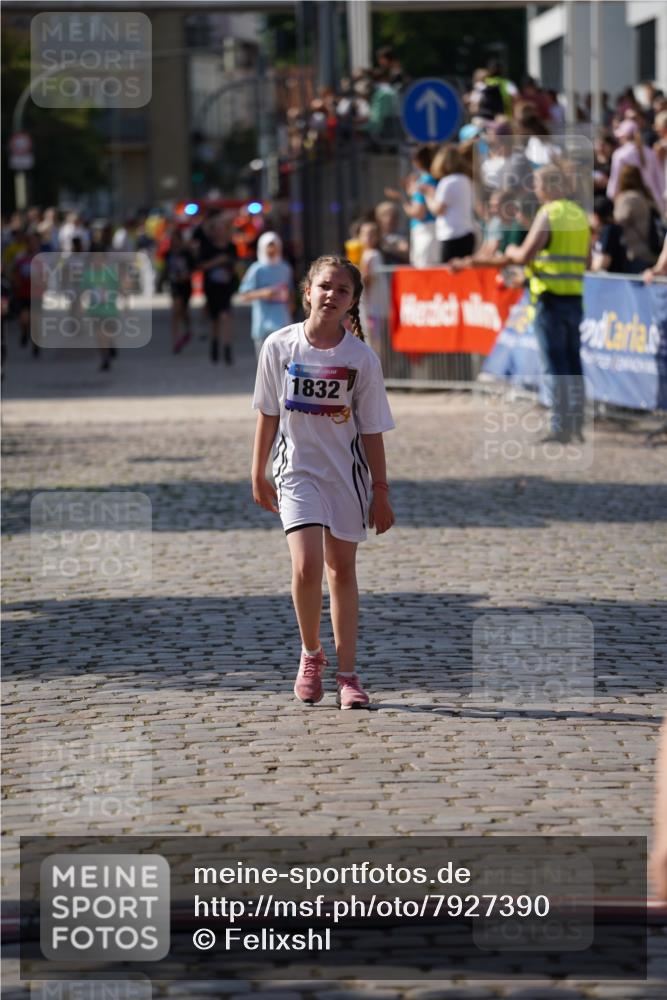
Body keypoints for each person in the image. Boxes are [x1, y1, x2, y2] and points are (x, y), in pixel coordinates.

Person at [251, 255, 395, 710]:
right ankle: (311, 655)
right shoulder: (279, 346)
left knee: (341, 570)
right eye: (325, 286)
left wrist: (381, 490)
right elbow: (268, 413)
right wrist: (258, 470)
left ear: (353, 303)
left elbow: (371, 428)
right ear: (307, 291)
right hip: (296, 473)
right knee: (307, 565)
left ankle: (348, 675)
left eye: (343, 290)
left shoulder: (361, 359)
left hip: (345, 478)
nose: (332, 295)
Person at [492, 164, 591, 444]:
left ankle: (560, 427)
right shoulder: (580, 215)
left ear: (549, 186)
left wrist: (510, 250)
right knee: (573, 363)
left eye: (537, 184)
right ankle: (577, 424)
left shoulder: (548, 213)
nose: (536, 190)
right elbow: (588, 261)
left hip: (549, 298)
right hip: (575, 297)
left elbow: (525, 254)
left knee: (554, 365)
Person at [238, 232, 294, 361]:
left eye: (274, 246)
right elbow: (244, 294)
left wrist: (290, 305)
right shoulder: (256, 269)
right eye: (269, 246)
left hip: (282, 321)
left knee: (283, 362)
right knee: (264, 362)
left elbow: (289, 292)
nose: (272, 250)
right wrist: (263, 293)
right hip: (263, 322)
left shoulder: (285, 268)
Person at [193, 211, 238, 364]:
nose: (220, 232)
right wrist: (217, 261)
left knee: (225, 316)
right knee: (215, 321)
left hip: (227, 287)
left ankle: (227, 349)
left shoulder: (231, 247)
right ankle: (214, 344)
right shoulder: (207, 247)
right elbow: (200, 266)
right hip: (211, 288)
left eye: (222, 228)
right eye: (217, 229)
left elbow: (235, 264)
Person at [384, 145, 439, 268]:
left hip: (425, 232)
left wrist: (402, 199)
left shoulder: (424, 181)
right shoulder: (434, 179)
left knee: (425, 273)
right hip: (432, 232)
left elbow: (418, 212)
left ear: (417, 161)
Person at [422, 144, 475, 263]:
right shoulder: (466, 179)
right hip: (466, 232)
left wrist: (428, 194)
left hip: (451, 234)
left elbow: (438, 209)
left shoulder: (447, 182)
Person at [607, 119, 665, 216]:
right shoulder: (650, 153)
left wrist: (614, 199)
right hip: (652, 201)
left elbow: (614, 185)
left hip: (629, 202)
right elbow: (659, 179)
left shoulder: (620, 155)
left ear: (624, 136)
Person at [613, 164, 659, 273]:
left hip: (635, 253)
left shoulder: (628, 198)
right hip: (652, 251)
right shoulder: (646, 196)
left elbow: (618, 221)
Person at [164, 228, 196, 353]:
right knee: (175, 311)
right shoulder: (168, 254)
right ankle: (175, 340)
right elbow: (166, 269)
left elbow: (194, 268)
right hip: (174, 285)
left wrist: (186, 275)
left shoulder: (186, 253)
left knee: (183, 310)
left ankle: (188, 329)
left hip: (185, 285)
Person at [590, 195, 629, 273]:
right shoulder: (616, 229)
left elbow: (603, 262)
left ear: (596, 216)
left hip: (611, 281)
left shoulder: (609, 230)